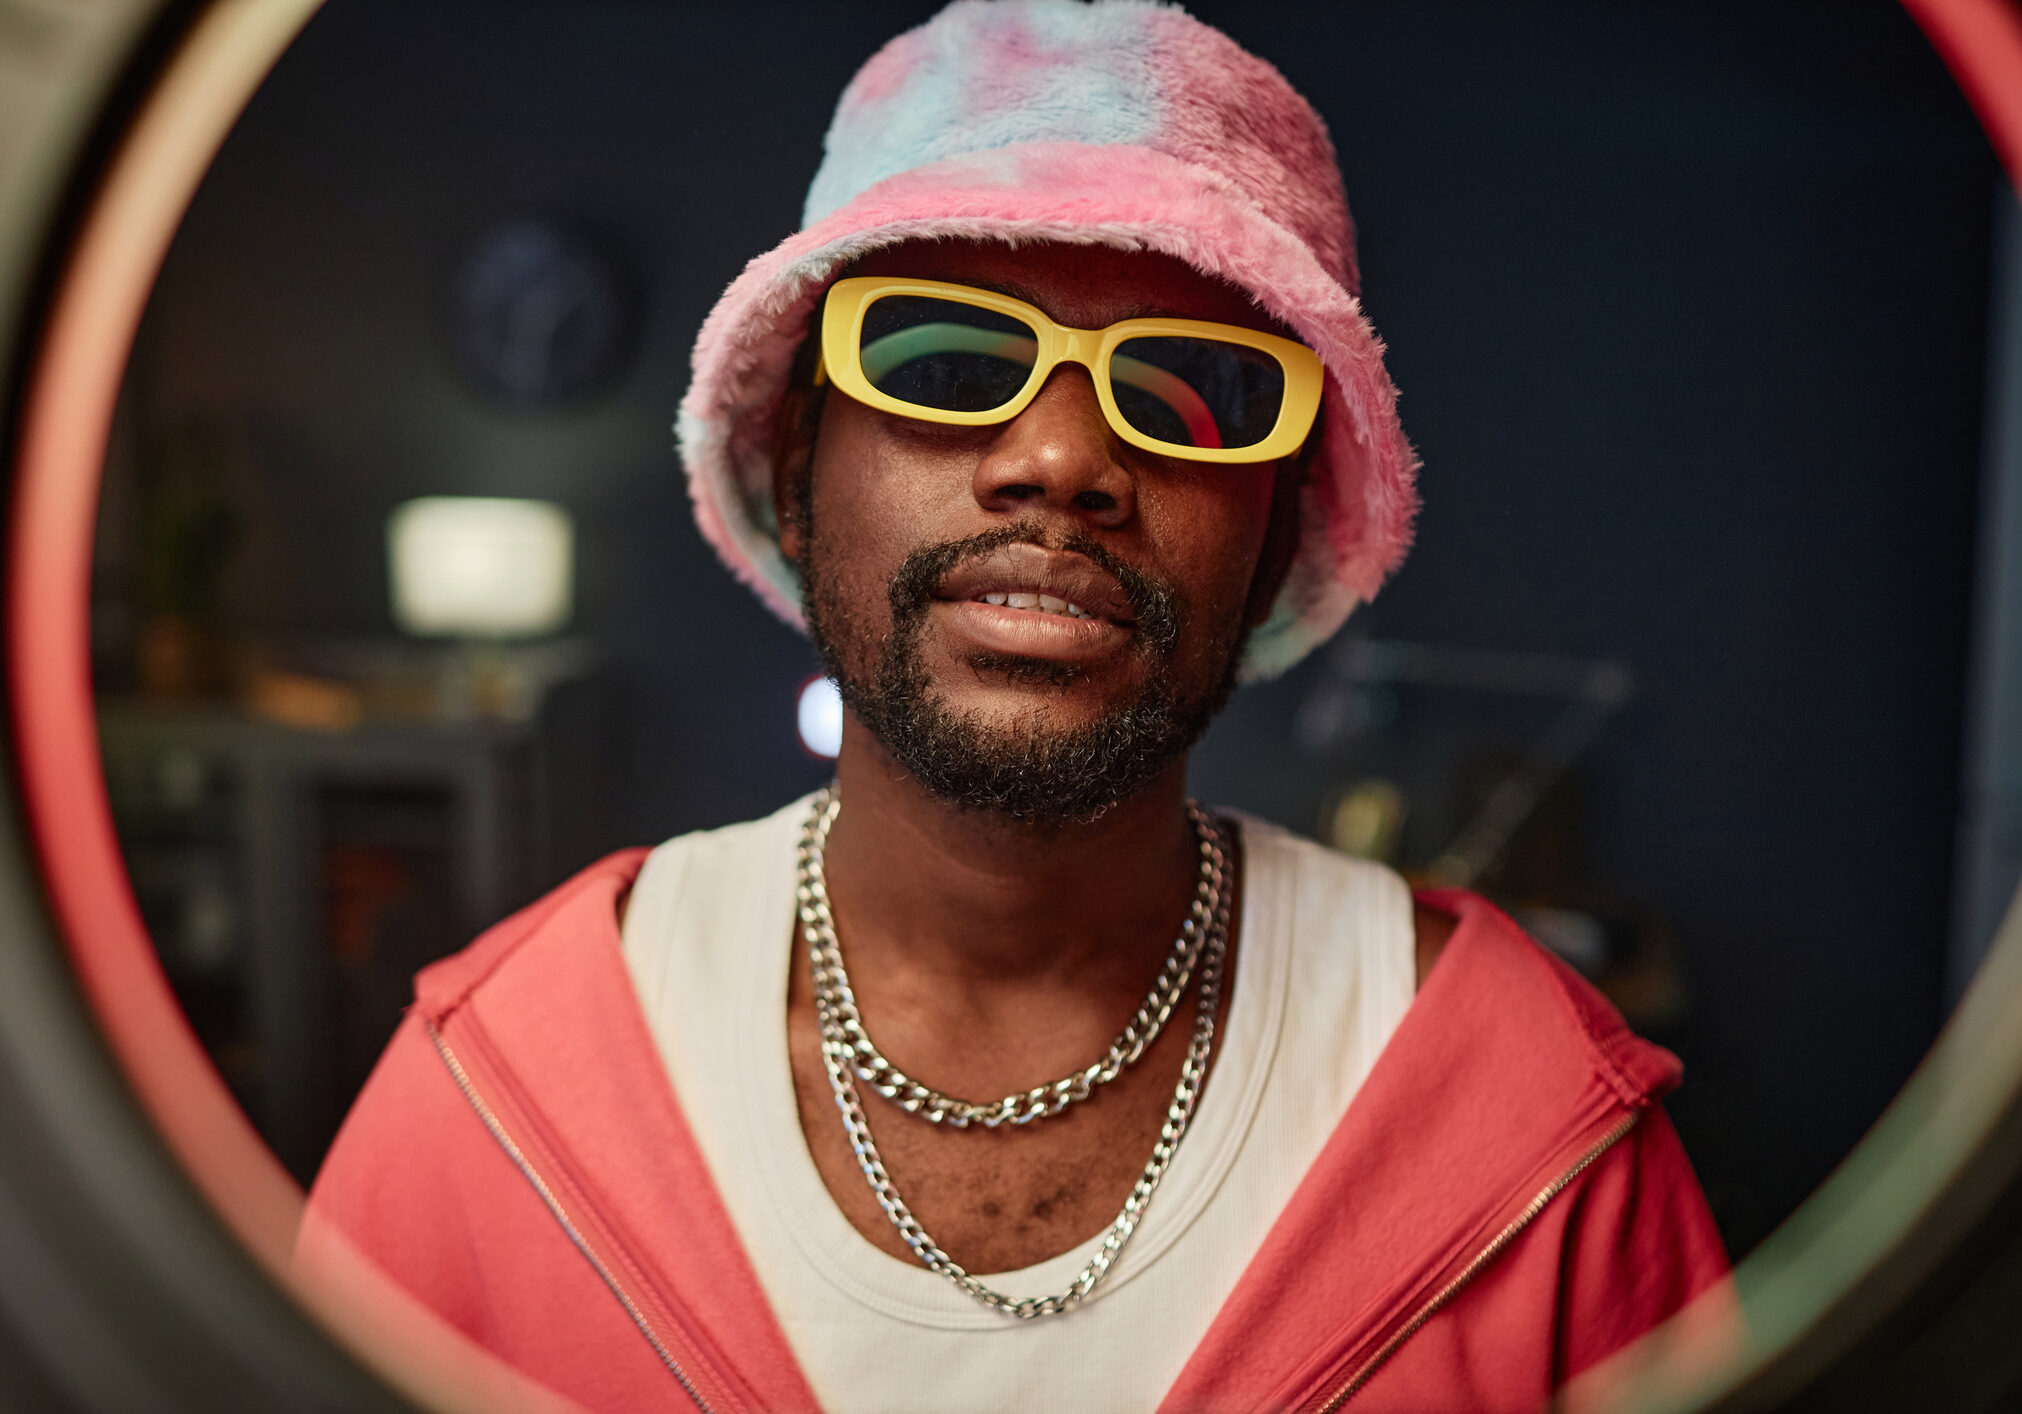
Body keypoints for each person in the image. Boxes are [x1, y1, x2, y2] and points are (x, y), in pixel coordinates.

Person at [298, 3, 1730, 1410]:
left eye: (1192, 393)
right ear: (796, 462)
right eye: (946, 363)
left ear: (1279, 528)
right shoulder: (492, 1103)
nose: (1056, 457)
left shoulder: (1538, 1138)